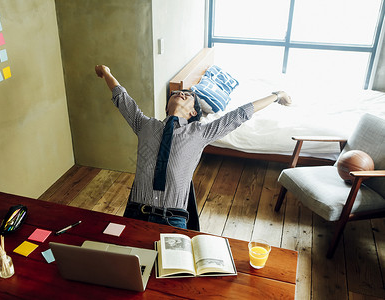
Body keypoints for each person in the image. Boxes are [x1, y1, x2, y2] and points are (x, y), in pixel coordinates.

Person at [95, 65, 291, 229]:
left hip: (172, 218)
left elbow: (239, 114)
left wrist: (277, 95)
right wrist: (106, 73)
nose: (181, 93)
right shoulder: (145, 125)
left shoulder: (200, 132)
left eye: (188, 96)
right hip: (136, 212)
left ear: (192, 113)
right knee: (126, 266)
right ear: (166, 107)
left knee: (172, 274)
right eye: (177, 93)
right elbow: (123, 100)